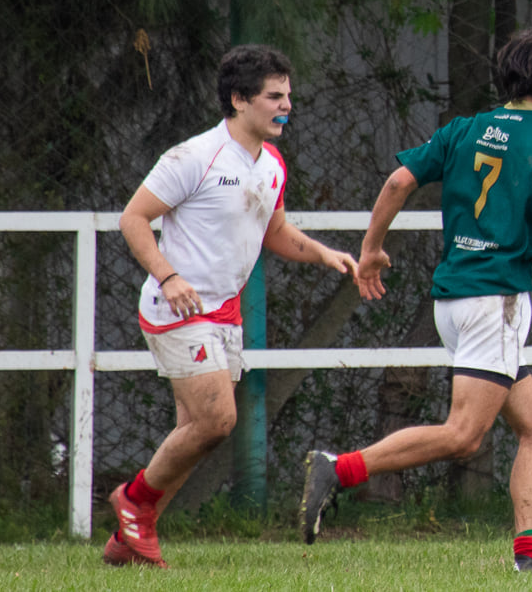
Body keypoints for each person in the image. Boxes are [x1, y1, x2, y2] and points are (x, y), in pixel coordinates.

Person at [299, 21, 532, 574]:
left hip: (454, 299)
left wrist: (372, 249)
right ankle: (340, 470)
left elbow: (397, 183)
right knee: (463, 435)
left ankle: (530, 552)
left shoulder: (464, 129)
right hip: (495, 300)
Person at [106, 44, 358, 568]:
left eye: (288, 95)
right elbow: (133, 219)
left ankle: (131, 538)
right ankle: (133, 502)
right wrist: (168, 275)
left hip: (224, 313)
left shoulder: (272, 164)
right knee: (218, 421)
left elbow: (276, 231)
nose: (286, 105)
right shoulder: (193, 157)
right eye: (274, 96)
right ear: (240, 100)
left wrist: (324, 255)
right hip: (177, 308)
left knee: (192, 436)